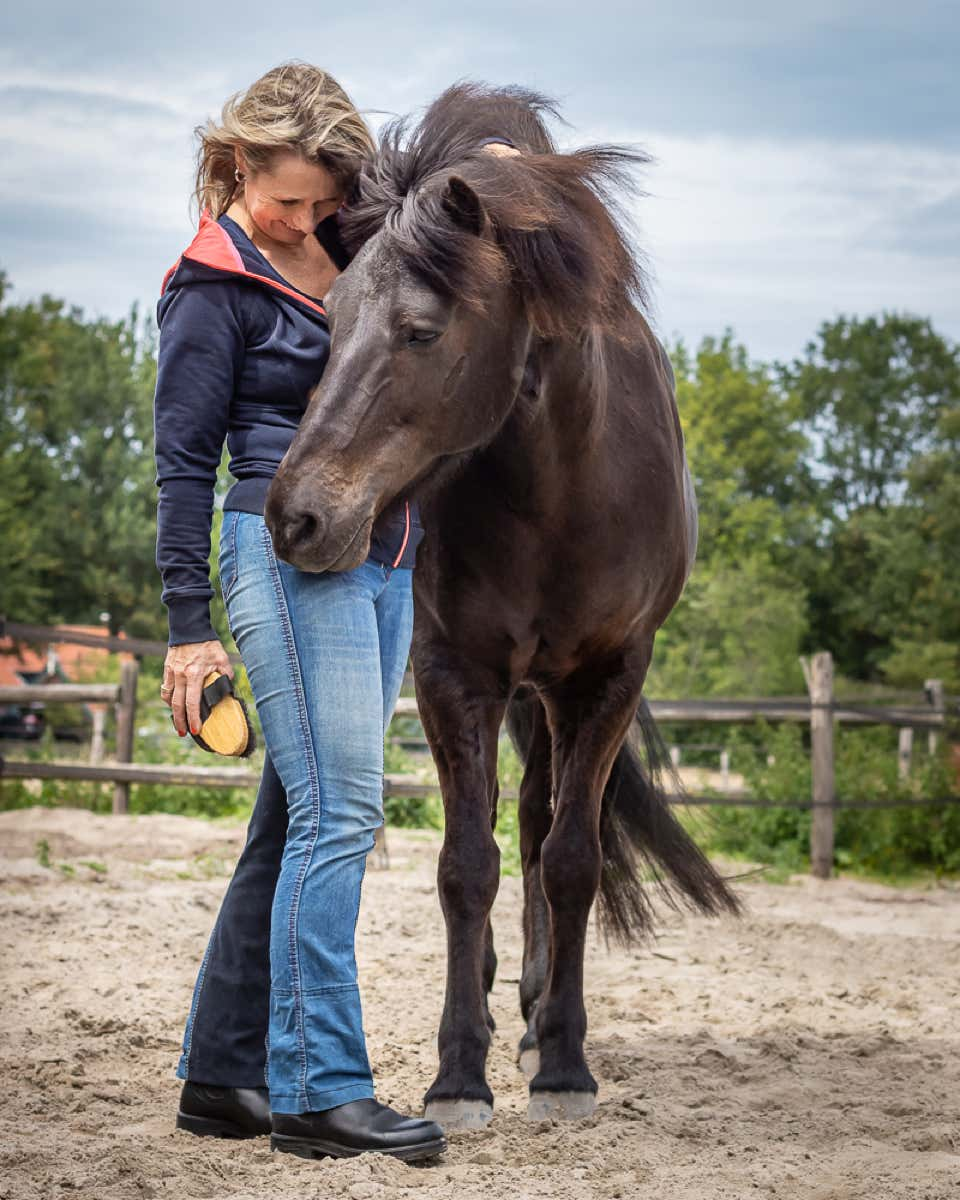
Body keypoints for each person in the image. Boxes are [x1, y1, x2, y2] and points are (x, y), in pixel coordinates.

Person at [154, 62, 440, 1162]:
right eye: (287, 199)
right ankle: (321, 1086)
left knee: (294, 819)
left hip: (392, 556)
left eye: (325, 201)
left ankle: (223, 1078)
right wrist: (190, 626)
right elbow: (183, 464)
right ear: (234, 166)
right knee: (343, 818)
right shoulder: (210, 285)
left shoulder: (363, 244)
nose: (307, 220)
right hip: (285, 552)